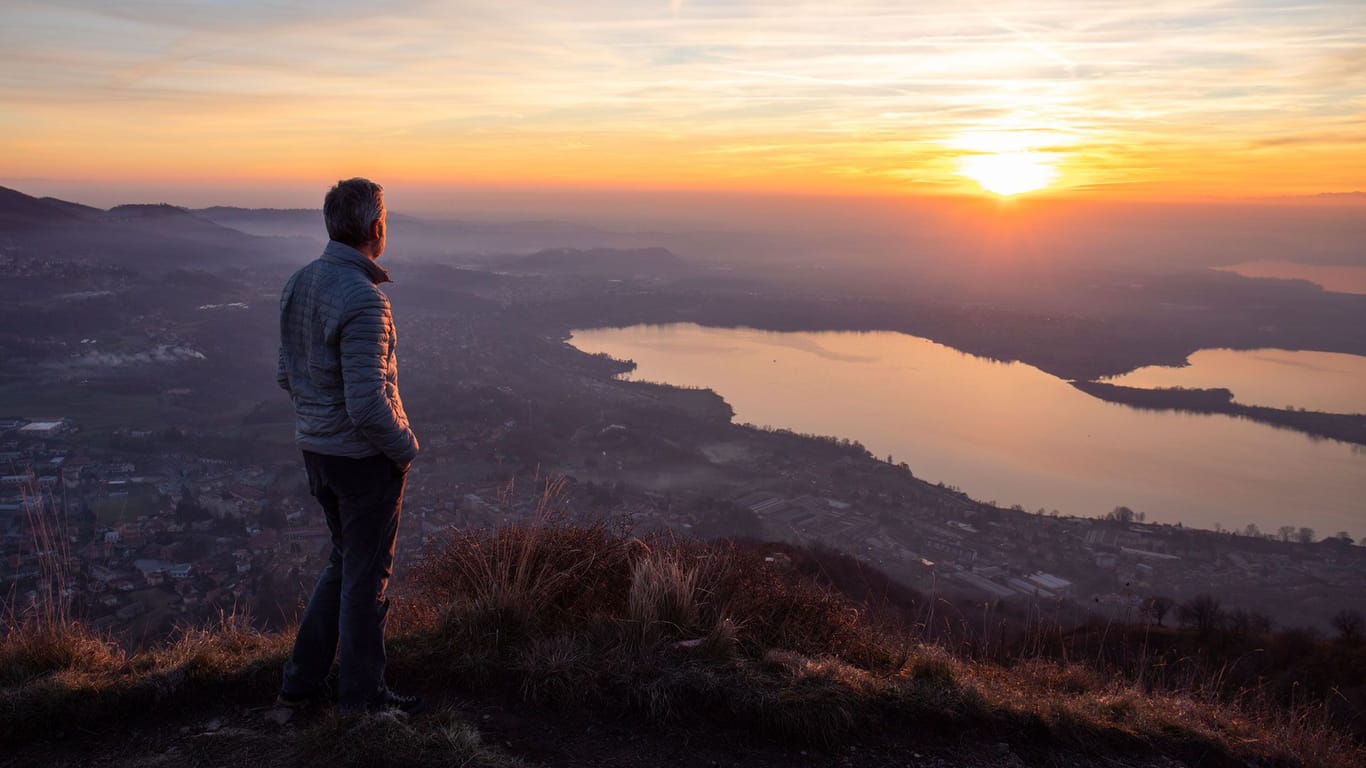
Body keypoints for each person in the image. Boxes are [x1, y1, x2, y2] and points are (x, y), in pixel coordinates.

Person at [274, 178, 421, 713]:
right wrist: (405, 448)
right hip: (363, 460)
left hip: (317, 452)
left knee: (344, 565)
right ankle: (363, 698)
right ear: (376, 227)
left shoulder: (298, 283)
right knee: (366, 581)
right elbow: (366, 404)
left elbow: (286, 375)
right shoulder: (365, 300)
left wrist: (317, 421)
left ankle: (301, 680)